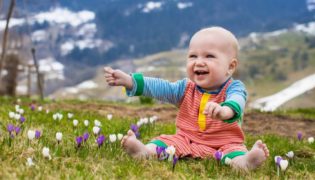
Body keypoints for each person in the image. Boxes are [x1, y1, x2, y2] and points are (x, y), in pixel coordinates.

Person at [104, 26, 269, 172]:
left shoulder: (234, 88)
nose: (199, 62)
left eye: (209, 56)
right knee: (164, 142)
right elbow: (160, 87)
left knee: (234, 153)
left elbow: (237, 101)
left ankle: (245, 162)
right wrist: (131, 82)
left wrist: (225, 111)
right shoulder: (185, 88)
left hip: (224, 144)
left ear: (230, 66)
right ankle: (146, 152)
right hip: (186, 140)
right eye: (193, 56)